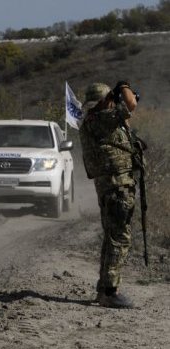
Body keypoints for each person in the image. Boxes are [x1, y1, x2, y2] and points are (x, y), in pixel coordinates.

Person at [79, 81, 141, 309]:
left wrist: (114, 96)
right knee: (120, 238)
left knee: (111, 237)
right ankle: (110, 291)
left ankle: (104, 288)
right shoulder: (103, 118)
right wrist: (123, 85)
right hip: (117, 187)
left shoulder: (93, 121)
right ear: (105, 101)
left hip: (109, 186)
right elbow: (131, 104)